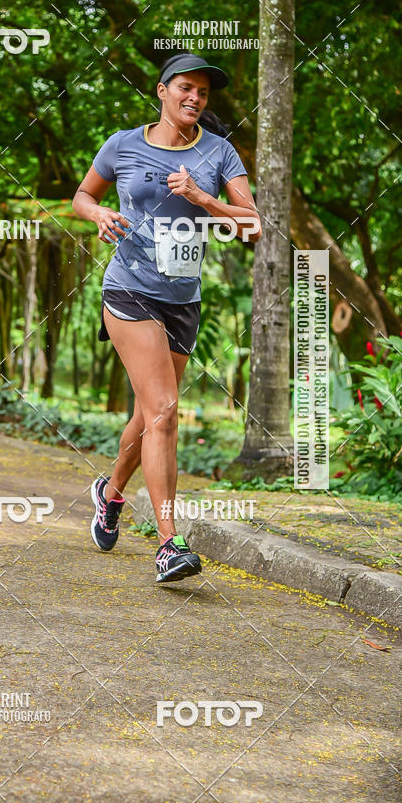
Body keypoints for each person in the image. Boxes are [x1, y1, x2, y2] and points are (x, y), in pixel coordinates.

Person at [72, 53, 261, 583]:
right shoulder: (122, 144)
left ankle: (110, 493)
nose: (194, 97)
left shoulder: (219, 152)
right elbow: (82, 196)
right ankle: (168, 544)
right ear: (162, 91)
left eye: (203, 91)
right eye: (185, 87)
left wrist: (204, 198)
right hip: (129, 290)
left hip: (183, 300)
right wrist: (98, 212)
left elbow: (253, 224)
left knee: (150, 415)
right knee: (165, 413)